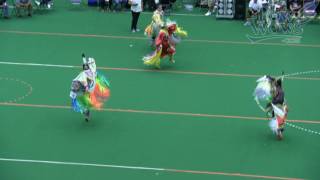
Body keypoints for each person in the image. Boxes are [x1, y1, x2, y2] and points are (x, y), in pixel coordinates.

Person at [70, 54, 110, 122]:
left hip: (87, 87)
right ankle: (86, 112)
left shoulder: (86, 73)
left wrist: (85, 87)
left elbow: (84, 81)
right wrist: (83, 58)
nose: (85, 66)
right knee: (85, 101)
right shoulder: (92, 69)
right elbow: (85, 64)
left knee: (84, 100)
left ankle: (86, 112)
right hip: (89, 87)